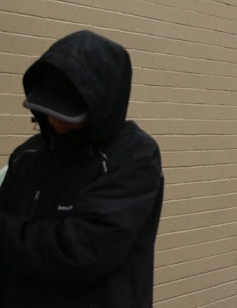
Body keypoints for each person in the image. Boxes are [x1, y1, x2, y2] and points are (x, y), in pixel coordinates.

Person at [0, 30, 164, 307]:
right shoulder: (28, 155)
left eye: (67, 115)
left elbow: (79, 252)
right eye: (49, 110)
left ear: (100, 107)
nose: (55, 122)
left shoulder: (134, 157)